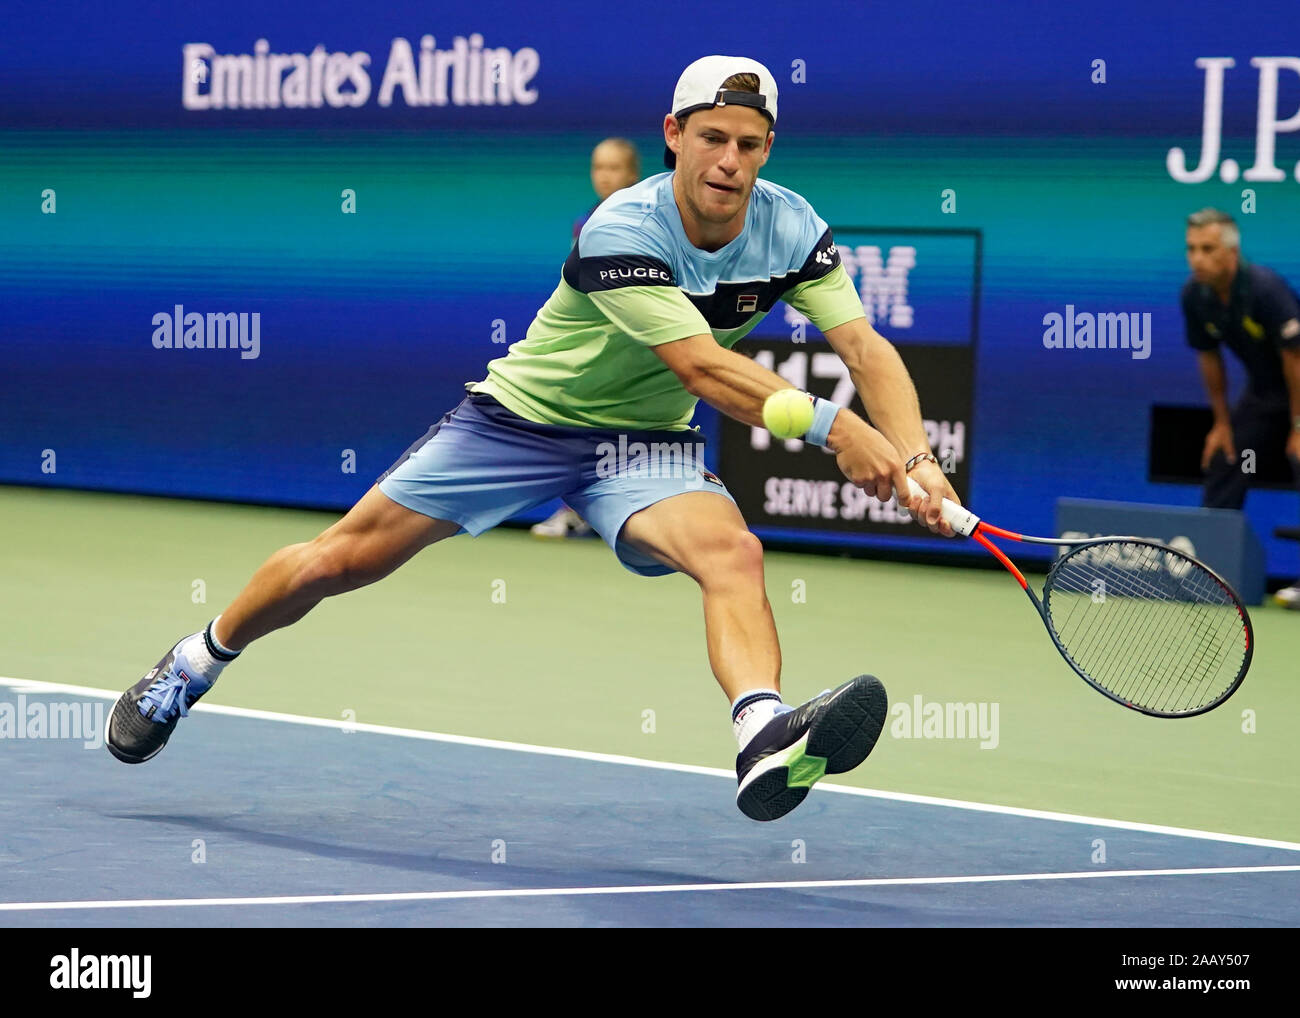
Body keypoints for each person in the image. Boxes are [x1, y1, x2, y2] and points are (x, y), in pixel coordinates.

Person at [106, 56, 960, 822]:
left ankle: (762, 732)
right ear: (674, 135)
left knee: (732, 552)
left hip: (644, 446)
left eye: (749, 143)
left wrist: (918, 458)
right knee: (341, 560)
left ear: (769, 148)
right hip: (520, 422)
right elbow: (703, 369)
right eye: (712, 138)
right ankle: (195, 660)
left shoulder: (791, 226)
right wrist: (835, 427)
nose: (729, 162)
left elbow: (864, 347)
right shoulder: (621, 228)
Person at [1182, 208, 1300, 609]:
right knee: (1232, 457)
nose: (1197, 257)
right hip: (1266, 395)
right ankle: (1210, 573)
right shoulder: (1195, 296)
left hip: (1298, 386)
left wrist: (1298, 427)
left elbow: (1295, 360)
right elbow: (1209, 357)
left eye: (1208, 249)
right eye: (1192, 248)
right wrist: (1221, 423)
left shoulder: (1265, 289)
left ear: (1231, 253)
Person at [533, 138, 644, 539]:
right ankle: (573, 511)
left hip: (639, 342)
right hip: (595, 344)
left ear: (632, 174)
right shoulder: (585, 222)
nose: (605, 176)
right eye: (599, 167)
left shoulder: (647, 217)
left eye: (614, 168)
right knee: (577, 421)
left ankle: (626, 515)